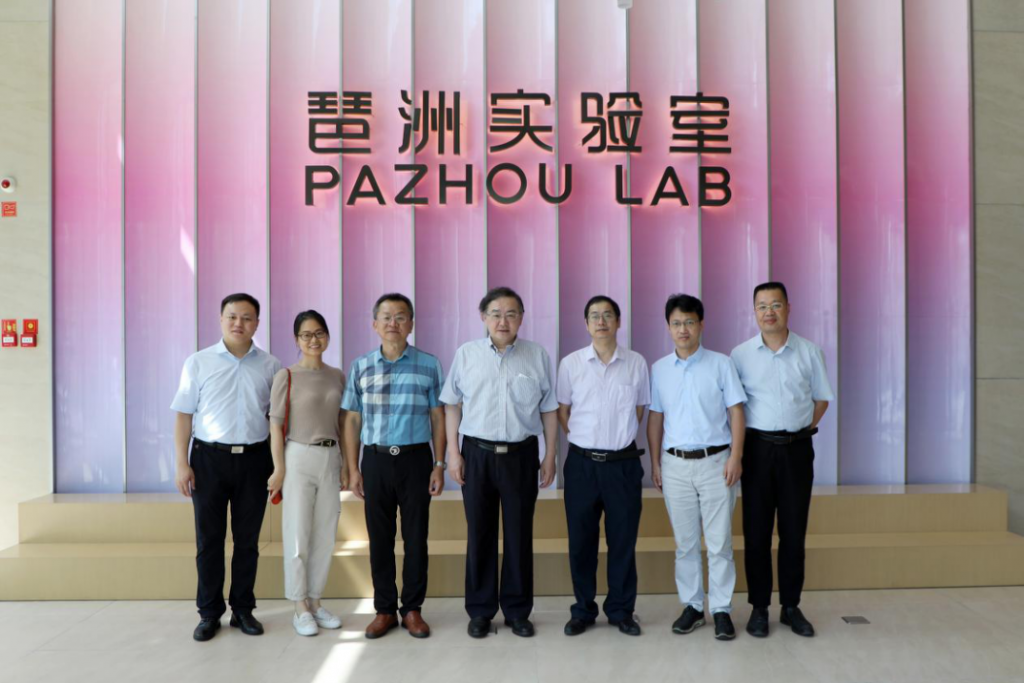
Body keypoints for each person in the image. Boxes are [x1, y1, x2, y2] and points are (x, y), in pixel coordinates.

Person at [440, 286, 558, 639]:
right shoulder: (467, 354)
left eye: (510, 314)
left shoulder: (537, 355)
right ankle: (480, 611)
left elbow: (549, 409)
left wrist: (550, 455)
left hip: (521, 455)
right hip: (476, 454)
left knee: (519, 535)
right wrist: (453, 453)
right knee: (480, 533)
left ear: (521, 318)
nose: (503, 321)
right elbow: (451, 405)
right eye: (495, 314)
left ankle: (518, 611)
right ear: (483, 317)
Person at [172, 293, 281, 642]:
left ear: (257, 324)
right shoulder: (198, 362)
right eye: (232, 316)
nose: (239, 323)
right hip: (208, 460)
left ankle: (243, 610)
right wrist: (182, 463)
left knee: (247, 541)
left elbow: (277, 420)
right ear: (221, 319)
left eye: (247, 317)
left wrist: (279, 466)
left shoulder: (271, 366)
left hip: (255, 460)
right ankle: (208, 613)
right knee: (209, 540)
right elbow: (184, 415)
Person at [730, 282, 834, 638]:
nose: (769, 312)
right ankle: (759, 607)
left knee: (793, 530)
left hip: (796, 450)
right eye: (762, 306)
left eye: (775, 304)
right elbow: (735, 408)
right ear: (754, 312)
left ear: (788, 307)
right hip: (757, 450)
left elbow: (821, 399)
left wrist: (798, 430)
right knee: (756, 531)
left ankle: (791, 606)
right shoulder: (740, 355)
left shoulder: (809, 351)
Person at [342, 293, 446, 639]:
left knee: (416, 538)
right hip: (375, 460)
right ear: (375, 324)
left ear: (411, 324)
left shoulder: (429, 364)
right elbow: (352, 419)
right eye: (386, 317)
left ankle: (412, 609)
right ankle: (384, 609)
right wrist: (353, 468)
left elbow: (438, 416)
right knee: (380, 538)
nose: (393, 323)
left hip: (416, 460)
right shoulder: (361, 366)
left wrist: (439, 463)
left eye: (401, 316)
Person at [647, 294, 747, 641]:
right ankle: (692, 606)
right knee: (685, 544)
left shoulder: (721, 364)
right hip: (675, 465)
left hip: (717, 463)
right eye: (676, 323)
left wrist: (736, 457)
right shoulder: (659, 369)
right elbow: (656, 417)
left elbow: (736, 411)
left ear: (701, 324)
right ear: (668, 327)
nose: (683, 329)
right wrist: (655, 462)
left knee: (719, 543)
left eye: (689, 322)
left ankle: (721, 610)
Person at [556, 295, 650, 637]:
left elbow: (639, 411)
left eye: (608, 315)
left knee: (622, 541)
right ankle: (583, 609)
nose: (601, 321)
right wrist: (585, 442)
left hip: (622, 465)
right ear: (586, 324)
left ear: (618, 322)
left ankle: (621, 610)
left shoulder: (636, 363)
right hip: (582, 465)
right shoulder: (571, 364)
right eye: (594, 316)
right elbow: (564, 411)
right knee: (581, 542)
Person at [269, 310, 346, 637]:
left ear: (327, 336)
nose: (314, 340)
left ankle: (315, 600)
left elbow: (343, 422)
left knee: (325, 534)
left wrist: (347, 464)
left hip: (331, 456)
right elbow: (275, 426)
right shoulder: (286, 376)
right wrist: (279, 468)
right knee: (298, 533)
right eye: (306, 335)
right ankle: (299, 605)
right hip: (298, 455)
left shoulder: (338, 376)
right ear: (296, 339)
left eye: (319, 333)